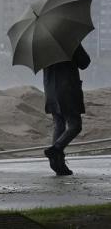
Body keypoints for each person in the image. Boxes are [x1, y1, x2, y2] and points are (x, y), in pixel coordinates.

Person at [43, 43, 91, 176]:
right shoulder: (69, 40)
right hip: (67, 89)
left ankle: (58, 165)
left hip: (50, 90)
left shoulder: (41, 45)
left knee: (59, 125)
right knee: (75, 125)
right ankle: (56, 149)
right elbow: (84, 62)